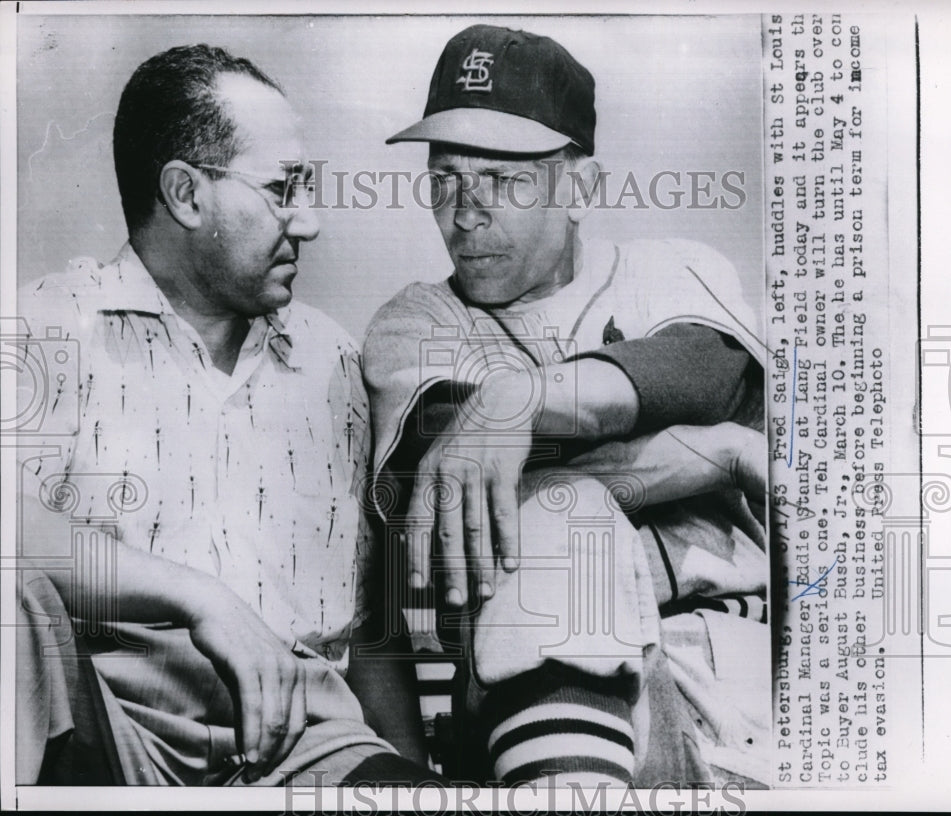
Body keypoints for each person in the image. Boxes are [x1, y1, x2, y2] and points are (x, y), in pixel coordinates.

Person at [14, 44, 435, 787]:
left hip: (302, 748)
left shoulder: (330, 360)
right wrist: (198, 596)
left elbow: (372, 625)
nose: (308, 222)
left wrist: (412, 777)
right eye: (282, 188)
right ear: (184, 193)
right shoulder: (49, 325)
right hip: (110, 741)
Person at [363, 24, 770, 786]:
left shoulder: (671, 268)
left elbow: (699, 375)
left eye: (504, 180)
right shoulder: (412, 323)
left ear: (578, 187)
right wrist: (717, 453)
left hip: (733, 704)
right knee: (556, 516)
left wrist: (518, 400)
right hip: (534, 712)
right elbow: (487, 498)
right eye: (445, 179)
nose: (466, 213)